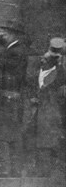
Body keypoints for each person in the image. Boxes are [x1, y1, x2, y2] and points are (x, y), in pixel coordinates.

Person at [0, 19, 28, 176]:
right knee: (7, 134)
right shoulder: (13, 49)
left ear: (11, 34)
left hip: (8, 98)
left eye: (5, 33)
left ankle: (8, 170)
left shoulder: (17, 51)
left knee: (5, 135)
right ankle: (11, 170)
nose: (2, 35)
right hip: (8, 97)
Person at [25, 39, 66, 176]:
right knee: (33, 137)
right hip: (37, 110)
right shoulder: (39, 72)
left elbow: (61, 82)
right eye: (43, 58)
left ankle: (46, 171)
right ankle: (38, 169)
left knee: (47, 141)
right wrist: (32, 97)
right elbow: (30, 84)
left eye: (47, 59)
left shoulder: (58, 72)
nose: (43, 60)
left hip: (50, 111)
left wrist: (59, 63)